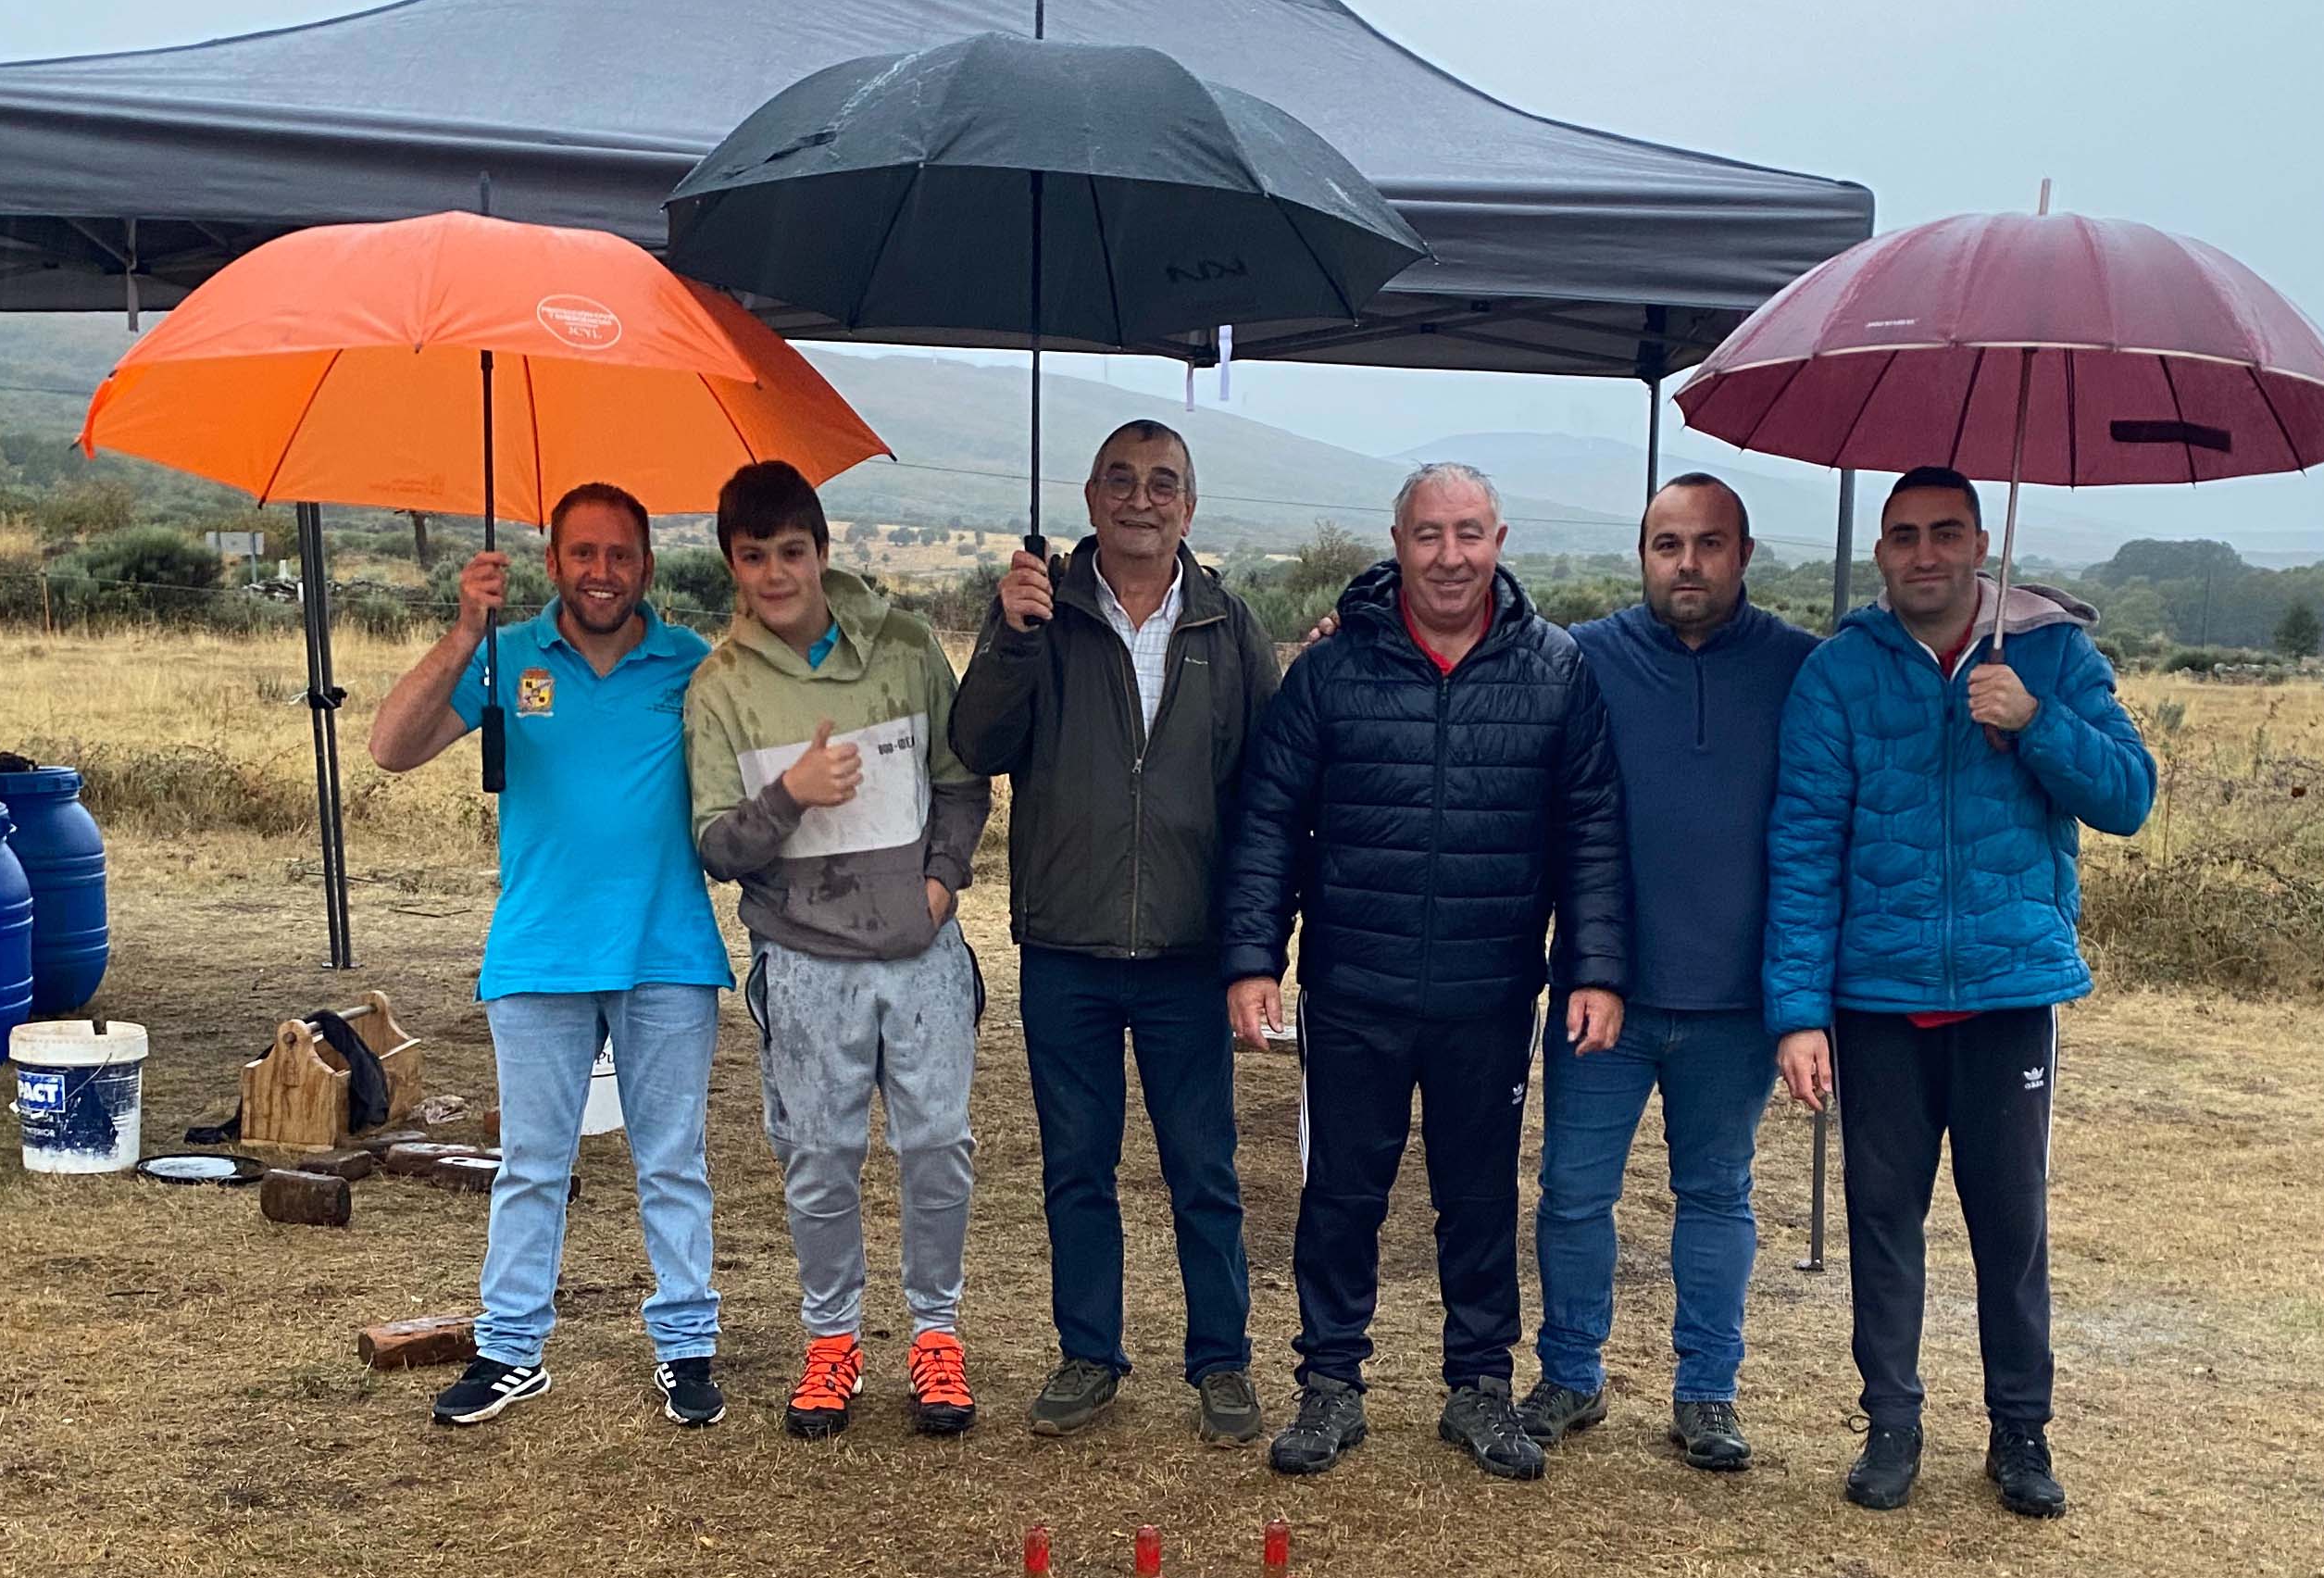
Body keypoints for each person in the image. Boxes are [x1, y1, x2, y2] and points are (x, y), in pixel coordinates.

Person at [1219, 462, 1629, 1483]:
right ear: (1397, 542)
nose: (1451, 556)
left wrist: (1595, 966)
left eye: (1469, 533)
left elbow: (1591, 831)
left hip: (1490, 993)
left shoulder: (1558, 671)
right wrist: (1253, 958)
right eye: (1430, 535)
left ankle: (1480, 1386)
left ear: (1500, 541)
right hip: (1354, 987)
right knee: (1340, 1197)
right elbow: (1270, 822)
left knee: (1480, 1199)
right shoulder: (1331, 672)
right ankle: (1330, 1384)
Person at [1766, 466, 2155, 1521]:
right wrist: (1797, 1012)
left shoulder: (2051, 657)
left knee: (2009, 1224)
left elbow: (2129, 798)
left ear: (1982, 545)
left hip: (2008, 991)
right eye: (1904, 536)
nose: (1924, 553)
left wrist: (2036, 721)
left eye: (1946, 532)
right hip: (1878, 998)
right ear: (1882, 553)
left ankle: (2020, 1432)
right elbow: (1803, 849)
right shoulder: (1839, 674)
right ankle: (1891, 1424)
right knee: (1883, 1219)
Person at [369, 484, 731, 1433]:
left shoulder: (691, 663)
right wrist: (464, 631)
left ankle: (687, 1344)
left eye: (620, 554)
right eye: (583, 553)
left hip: (668, 951)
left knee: (672, 1162)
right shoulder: (504, 655)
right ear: (552, 563)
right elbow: (390, 748)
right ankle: (511, 1350)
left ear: (647, 565)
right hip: (538, 955)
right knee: (531, 1164)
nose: (602, 572)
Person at [948, 420, 1281, 1446]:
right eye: (1122, 482)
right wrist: (1010, 639)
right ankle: (1089, 1355)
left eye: (1162, 483)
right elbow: (977, 742)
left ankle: (1221, 1363)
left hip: (1188, 951)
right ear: (1090, 498)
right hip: (1067, 946)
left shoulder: (1228, 624)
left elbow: (1267, 791)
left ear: (1190, 505)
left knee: (1204, 1172)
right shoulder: (1040, 611)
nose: (1142, 499)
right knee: (1076, 1170)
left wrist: (1255, 945)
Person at [681, 459, 993, 1439]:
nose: (775, 574)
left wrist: (941, 882)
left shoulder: (905, 646)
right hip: (803, 961)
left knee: (938, 1148)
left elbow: (963, 779)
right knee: (818, 1157)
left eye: (791, 552)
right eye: (753, 557)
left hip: (920, 951)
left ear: (822, 551)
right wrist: (789, 796)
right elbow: (716, 847)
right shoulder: (719, 687)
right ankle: (832, 1339)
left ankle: (935, 1333)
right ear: (731, 565)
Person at [1523, 474, 1815, 1472]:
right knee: (1572, 1193)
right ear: (1642, 554)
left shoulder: (1798, 668)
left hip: (1736, 1003)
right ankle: (1571, 1373)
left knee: (1718, 1194)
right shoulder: (1581, 659)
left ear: (1744, 553)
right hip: (1603, 993)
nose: (1687, 563)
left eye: (1708, 544)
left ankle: (1708, 1392)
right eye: (1667, 544)